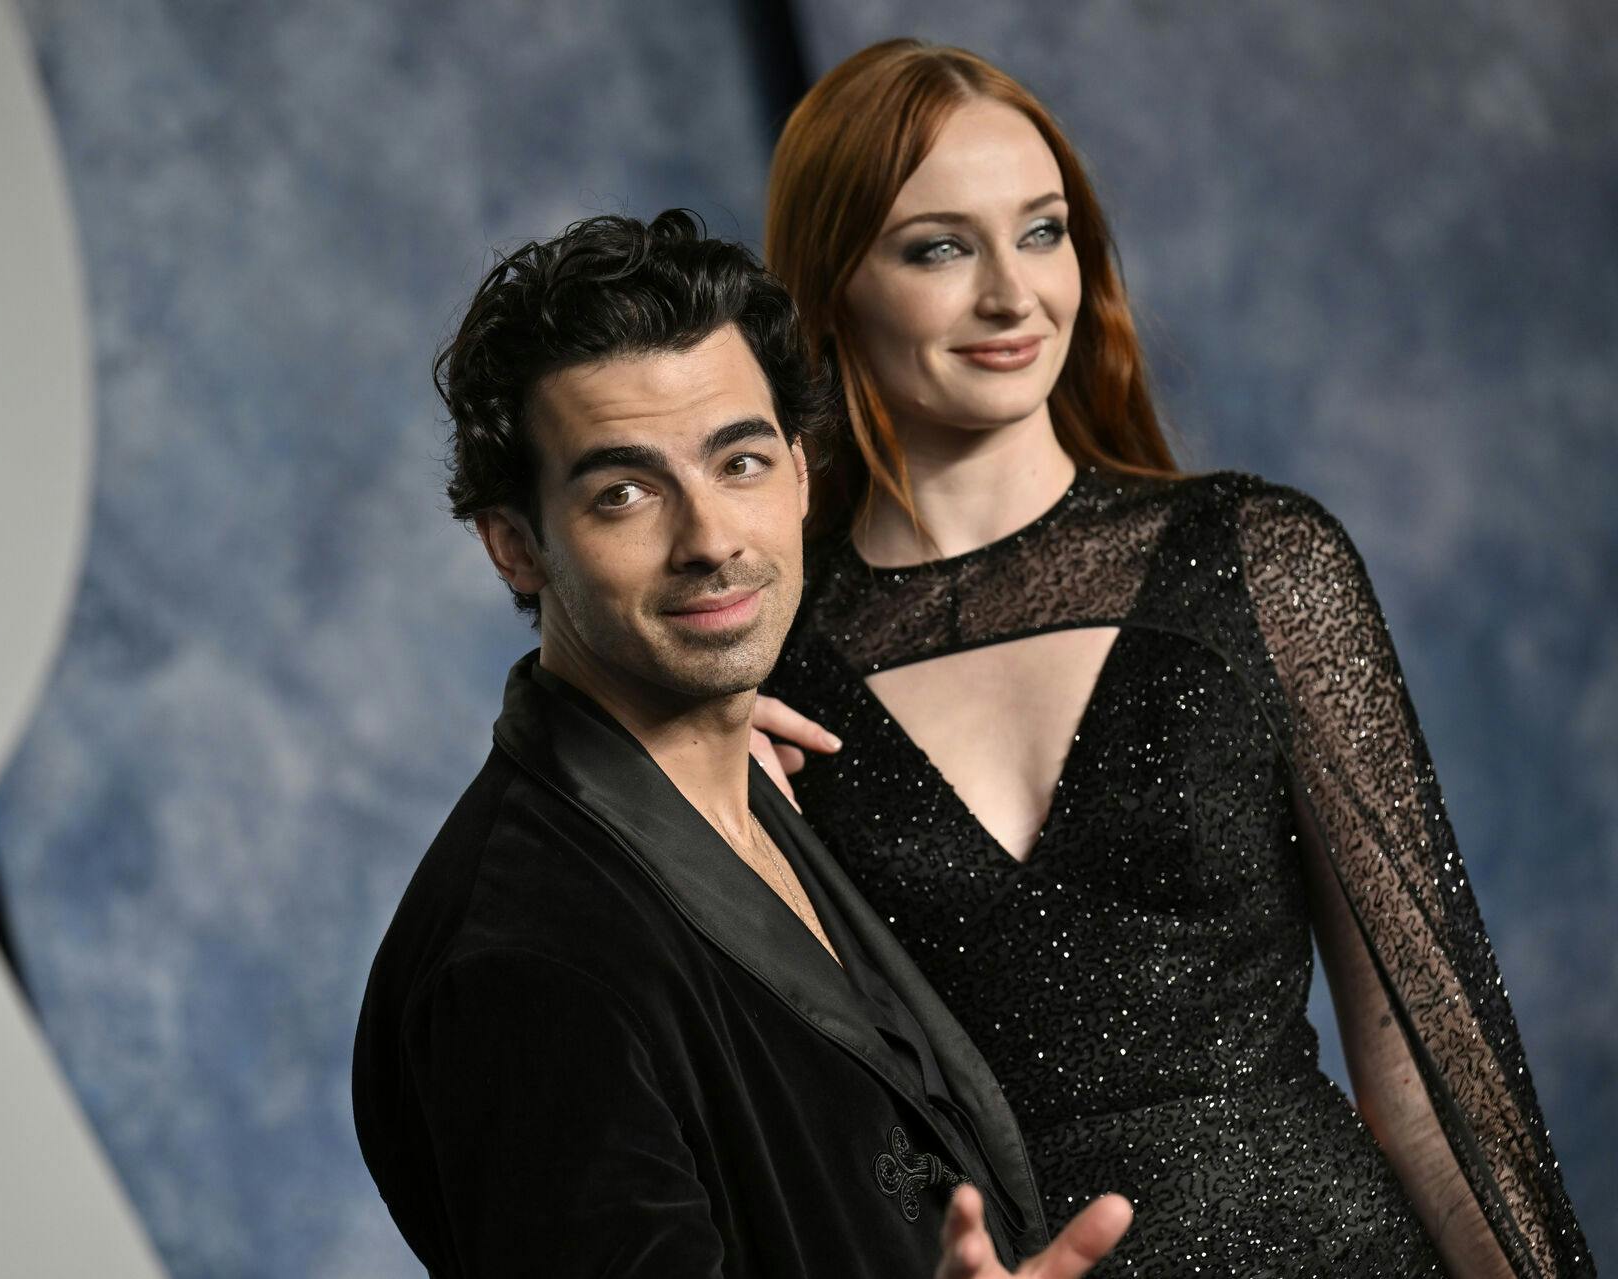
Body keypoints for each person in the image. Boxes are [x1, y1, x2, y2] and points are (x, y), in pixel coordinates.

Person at [750, 38, 1593, 1278]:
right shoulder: (765, 669)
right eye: (939, 247)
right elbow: (790, 1127)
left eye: (1043, 233)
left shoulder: (1257, 563)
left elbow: (1425, 1059)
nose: (1013, 295)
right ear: (833, 287)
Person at [352, 209, 1133, 1277]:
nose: (711, 539)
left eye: (742, 461)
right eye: (622, 493)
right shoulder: (525, 965)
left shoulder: (756, 785)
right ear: (514, 545)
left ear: (803, 476)